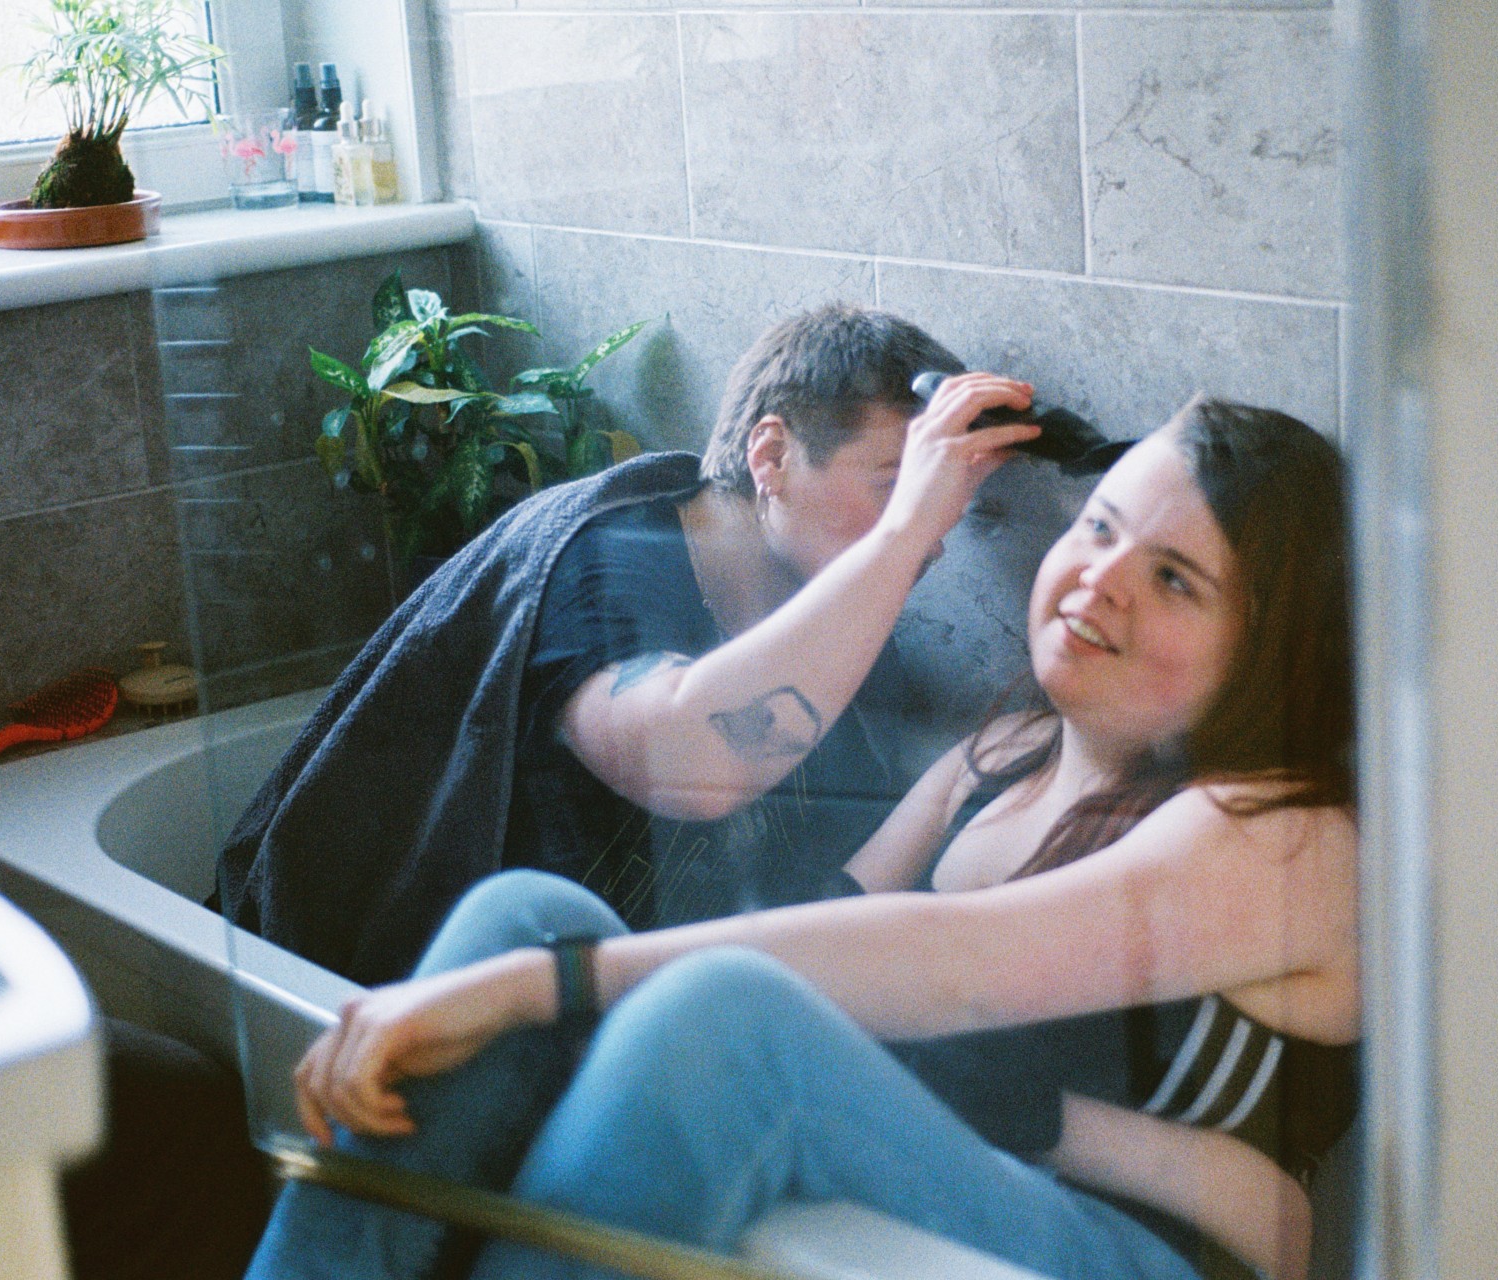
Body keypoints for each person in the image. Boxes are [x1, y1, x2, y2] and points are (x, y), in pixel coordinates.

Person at [246, 397, 1358, 1280]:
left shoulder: (1284, 834)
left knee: (714, 1013)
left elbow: (948, 971)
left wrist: (550, 988)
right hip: (972, 1175)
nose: (1101, 577)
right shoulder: (1004, 754)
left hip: (1134, 1254)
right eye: (1101, 524)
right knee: (523, 913)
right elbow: (831, 935)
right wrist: (541, 964)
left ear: (1268, 654)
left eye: (1175, 578)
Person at [217, 305, 1042, 983]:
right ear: (772, 454)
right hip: (372, 999)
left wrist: (952, 781)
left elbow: (808, 924)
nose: (932, 533)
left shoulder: (842, 638)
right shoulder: (606, 559)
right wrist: (899, 535)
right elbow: (684, 761)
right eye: (896, 483)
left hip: (599, 1018)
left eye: (946, 502)